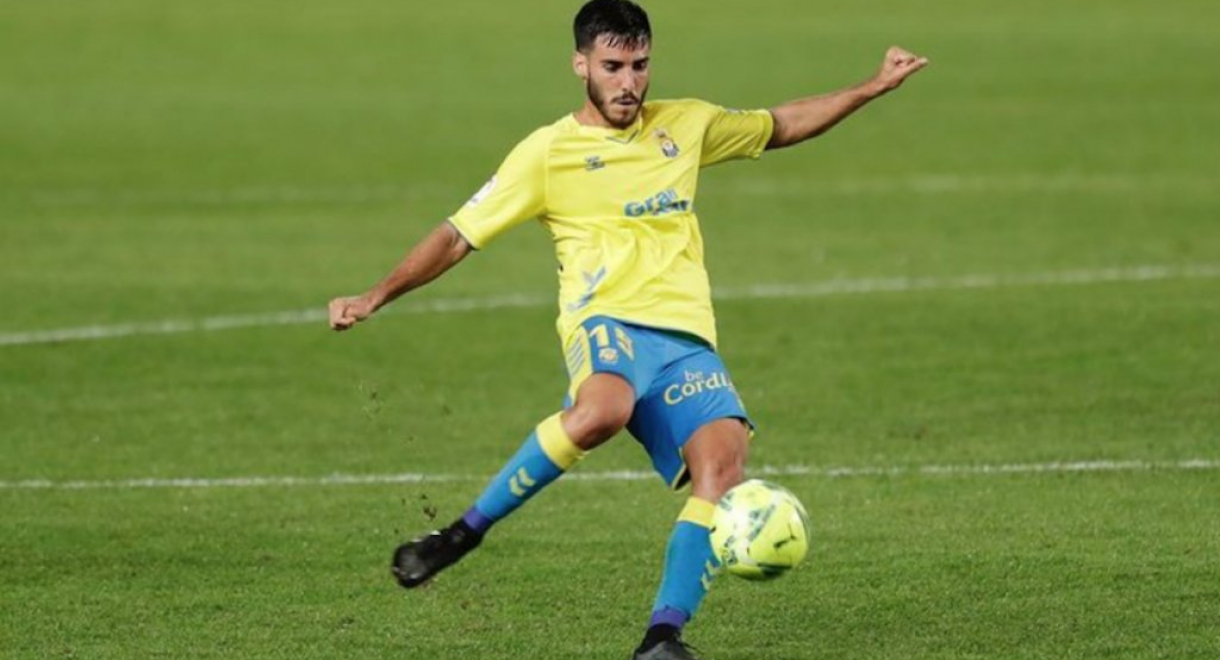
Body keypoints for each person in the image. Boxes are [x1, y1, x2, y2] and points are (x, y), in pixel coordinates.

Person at [328, 1, 927, 657]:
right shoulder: (547, 153)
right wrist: (375, 294)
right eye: (612, 66)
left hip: (685, 341)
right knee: (603, 410)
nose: (629, 82)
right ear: (580, 65)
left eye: (639, 65)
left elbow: (781, 125)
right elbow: (456, 235)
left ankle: (662, 636)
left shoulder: (686, 124)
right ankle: (459, 535)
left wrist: (872, 86)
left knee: (724, 466)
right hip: (606, 321)